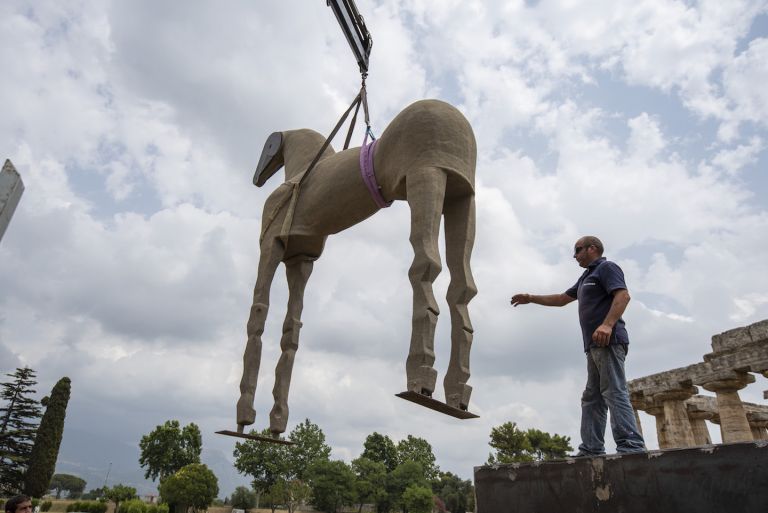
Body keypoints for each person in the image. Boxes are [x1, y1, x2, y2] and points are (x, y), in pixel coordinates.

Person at [510, 235, 645, 456]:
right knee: (592, 397)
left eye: (578, 250)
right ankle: (592, 448)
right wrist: (531, 298)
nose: (575, 256)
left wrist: (607, 325)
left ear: (592, 249)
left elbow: (623, 295)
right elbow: (562, 299)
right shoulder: (585, 277)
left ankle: (631, 446)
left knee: (614, 390)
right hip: (593, 345)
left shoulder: (606, 268)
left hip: (608, 340)